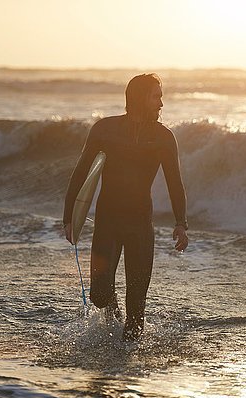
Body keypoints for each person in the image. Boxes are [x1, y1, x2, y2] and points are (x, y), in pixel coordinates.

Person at [63, 73, 188, 340]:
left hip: (140, 226)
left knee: (136, 310)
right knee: (99, 294)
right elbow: (81, 173)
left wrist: (181, 223)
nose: (161, 104)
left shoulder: (163, 138)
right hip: (108, 222)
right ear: (140, 99)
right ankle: (112, 323)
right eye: (156, 96)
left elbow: (175, 183)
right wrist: (69, 218)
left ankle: (126, 364)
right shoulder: (105, 130)